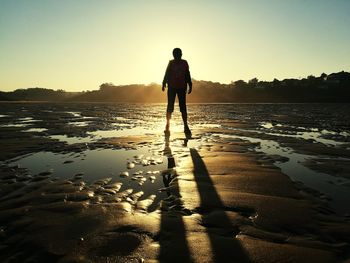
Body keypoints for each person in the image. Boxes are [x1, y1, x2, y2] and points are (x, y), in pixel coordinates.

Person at [162, 48, 192, 137]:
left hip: (182, 87)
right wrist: (164, 82)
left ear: (181, 54)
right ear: (173, 55)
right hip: (171, 87)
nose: (177, 56)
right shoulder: (171, 63)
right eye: (175, 54)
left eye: (178, 54)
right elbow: (166, 73)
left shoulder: (184, 63)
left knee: (183, 107)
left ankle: (186, 126)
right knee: (170, 106)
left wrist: (190, 84)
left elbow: (187, 74)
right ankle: (167, 126)